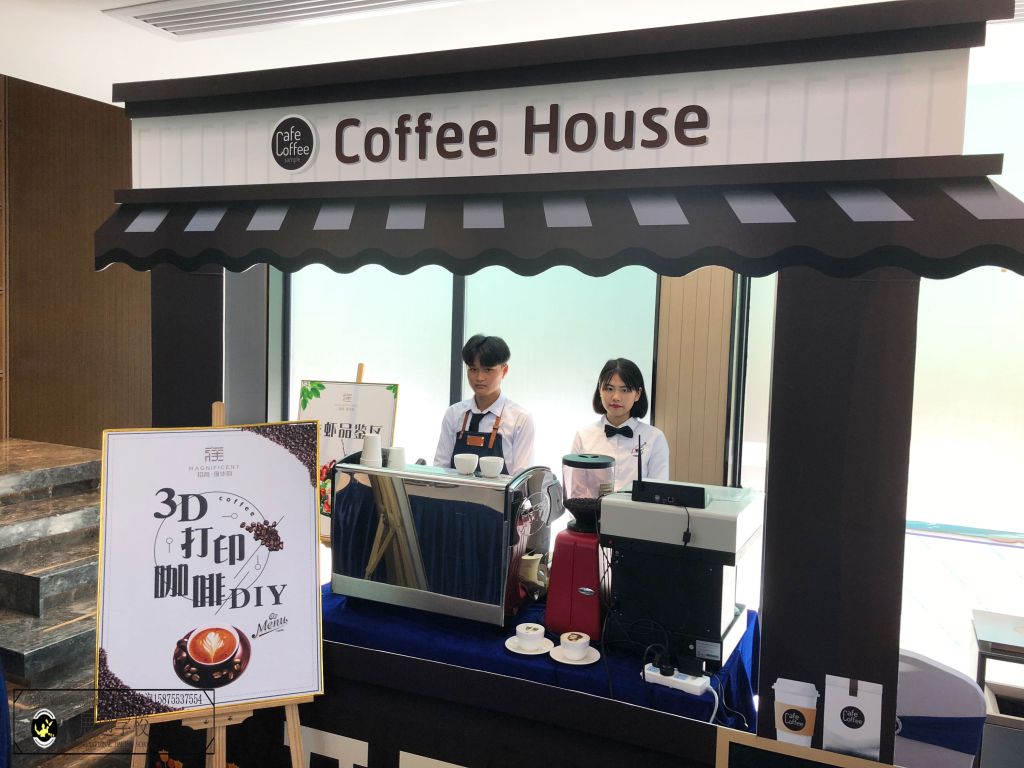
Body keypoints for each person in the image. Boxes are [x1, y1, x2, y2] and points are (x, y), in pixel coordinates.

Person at [433, 334, 535, 476]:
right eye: (473, 369)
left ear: (504, 370)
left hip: (504, 492)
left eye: (488, 370)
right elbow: (440, 470)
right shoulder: (454, 414)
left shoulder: (520, 419)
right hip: (454, 490)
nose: (479, 378)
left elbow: (522, 479)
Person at [571, 358, 669, 491]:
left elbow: (658, 492)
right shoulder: (583, 436)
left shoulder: (654, 438)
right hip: (593, 506)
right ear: (600, 390)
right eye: (609, 388)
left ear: (638, 394)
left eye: (625, 390)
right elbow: (576, 492)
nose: (616, 397)